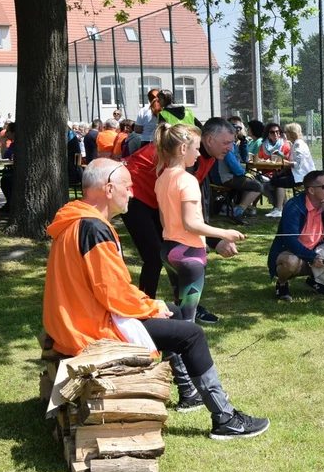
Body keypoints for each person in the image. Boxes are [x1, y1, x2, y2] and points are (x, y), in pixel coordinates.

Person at [43, 158, 269, 440]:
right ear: (109, 189)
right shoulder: (93, 228)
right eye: (128, 186)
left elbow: (109, 287)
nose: (133, 193)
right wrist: (150, 306)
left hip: (76, 320)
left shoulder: (76, 219)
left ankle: (189, 393)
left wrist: (153, 306)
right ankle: (225, 419)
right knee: (192, 333)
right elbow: (111, 292)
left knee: (173, 312)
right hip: (89, 329)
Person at [121, 117, 236, 322]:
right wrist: (217, 239)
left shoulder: (200, 157)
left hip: (157, 200)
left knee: (171, 254)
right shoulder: (187, 161)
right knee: (154, 256)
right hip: (135, 196)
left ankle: (186, 308)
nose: (230, 148)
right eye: (227, 142)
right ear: (208, 140)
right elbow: (188, 218)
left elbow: (190, 210)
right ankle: (144, 312)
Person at [153, 123, 247, 322]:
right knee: (188, 320)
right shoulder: (187, 180)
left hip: (169, 251)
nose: (198, 155)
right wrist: (223, 233)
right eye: (196, 149)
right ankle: (180, 352)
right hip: (189, 255)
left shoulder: (161, 178)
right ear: (183, 149)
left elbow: (164, 220)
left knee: (179, 313)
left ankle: (171, 353)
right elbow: (190, 223)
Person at [269, 170, 324, 301]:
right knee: (290, 261)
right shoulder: (294, 206)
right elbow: (290, 240)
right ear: (311, 190)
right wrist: (312, 257)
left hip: (318, 252)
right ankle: (282, 284)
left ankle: (315, 281)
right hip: (295, 254)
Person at [210, 126, 264, 227]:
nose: (238, 131)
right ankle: (238, 213)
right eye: (235, 129)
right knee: (258, 186)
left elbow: (245, 157)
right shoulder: (226, 145)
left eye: (240, 129)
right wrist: (243, 173)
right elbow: (231, 162)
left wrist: (243, 142)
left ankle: (239, 209)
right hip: (224, 178)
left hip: (230, 176)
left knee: (256, 181)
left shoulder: (234, 144)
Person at [268, 122, 314, 202]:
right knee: (275, 178)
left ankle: (279, 207)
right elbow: (292, 160)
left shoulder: (298, 145)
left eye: (286, 132)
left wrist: (284, 162)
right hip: (298, 174)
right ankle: (282, 204)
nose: (285, 134)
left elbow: (298, 165)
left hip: (302, 177)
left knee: (277, 182)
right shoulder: (295, 144)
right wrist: (281, 155)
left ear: (291, 134)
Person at [257, 122, 292, 218]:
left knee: (277, 180)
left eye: (277, 132)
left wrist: (280, 154)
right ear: (267, 134)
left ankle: (278, 207)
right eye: (272, 132)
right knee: (259, 181)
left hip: (282, 171)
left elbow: (289, 161)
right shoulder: (263, 146)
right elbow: (259, 161)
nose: (275, 134)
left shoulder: (285, 145)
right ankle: (278, 206)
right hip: (266, 172)